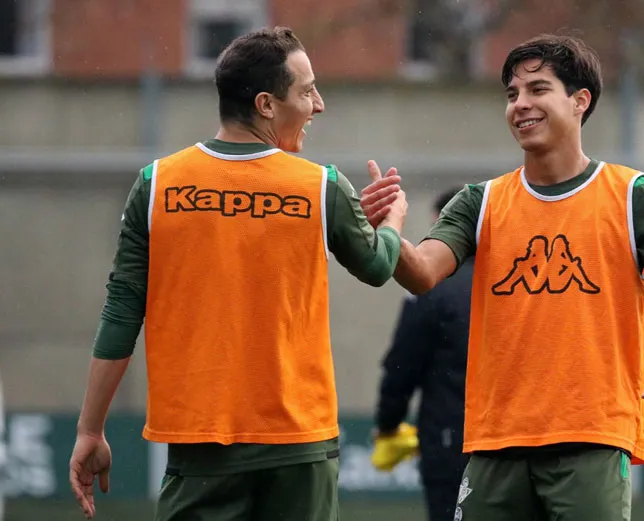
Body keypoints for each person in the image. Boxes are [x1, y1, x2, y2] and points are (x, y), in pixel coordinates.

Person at [360, 34, 644, 521]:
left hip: (591, 441)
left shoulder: (632, 195)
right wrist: (390, 229)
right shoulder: (479, 201)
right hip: (493, 444)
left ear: (579, 100)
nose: (520, 105)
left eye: (537, 90)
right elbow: (421, 273)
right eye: (511, 95)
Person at [68, 26, 407, 521]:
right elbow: (378, 267)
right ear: (267, 104)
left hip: (198, 448)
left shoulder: (157, 184)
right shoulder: (322, 186)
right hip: (299, 446)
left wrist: (89, 431)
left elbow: (122, 309)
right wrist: (393, 223)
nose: (319, 105)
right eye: (307, 90)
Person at [372, 188, 472, 521]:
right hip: (513, 440)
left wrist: (388, 424)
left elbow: (403, 364)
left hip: (450, 439)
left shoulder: (431, 286)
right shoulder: (514, 281)